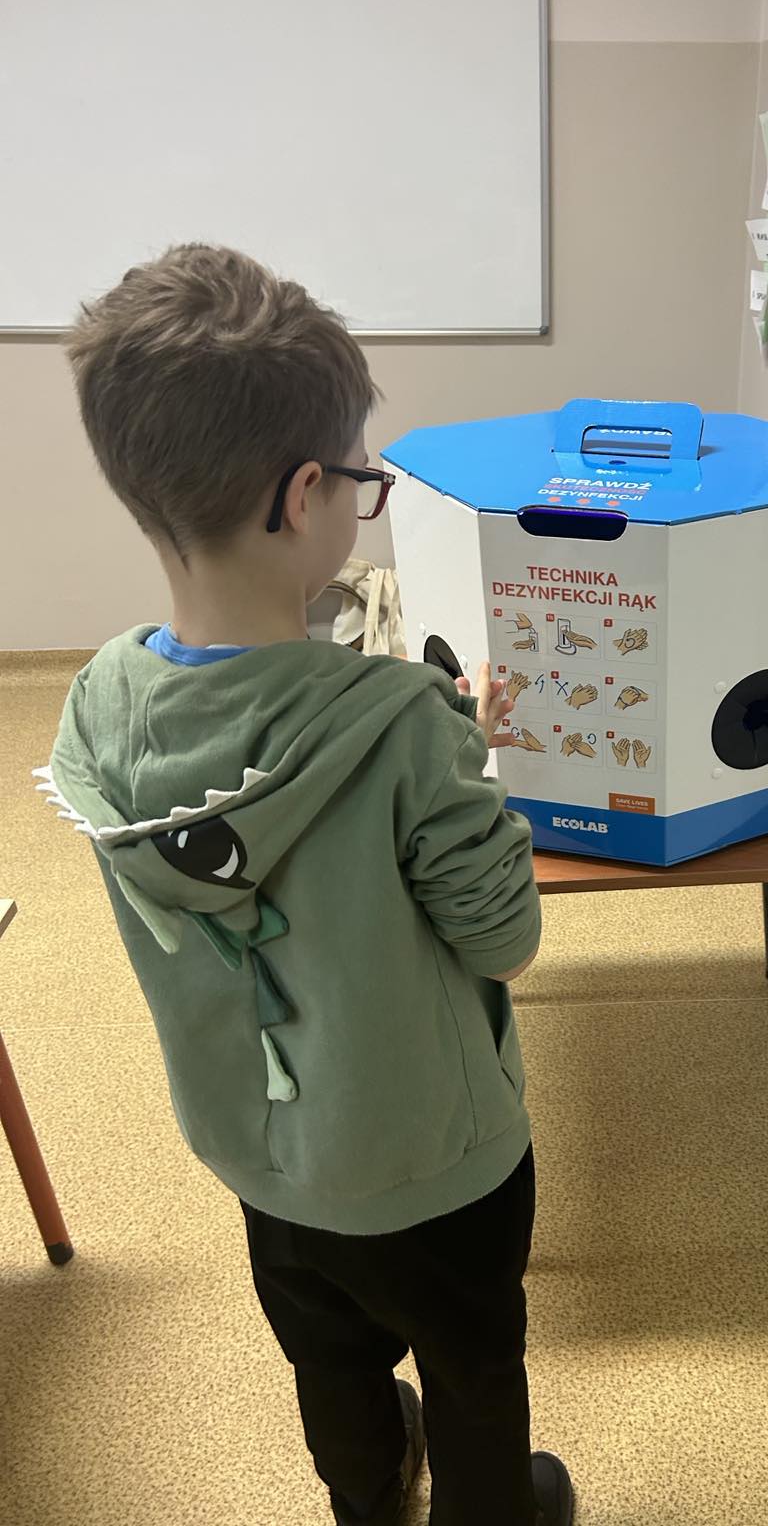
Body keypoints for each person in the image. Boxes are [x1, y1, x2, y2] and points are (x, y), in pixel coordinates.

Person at [40, 244, 574, 1526]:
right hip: (432, 1162)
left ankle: (367, 1497)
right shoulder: (404, 727)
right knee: (472, 1369)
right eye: (363, 482)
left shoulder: (98, 705)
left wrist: (431, 739)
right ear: (302, 496)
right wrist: (465, 762)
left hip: (263, 1152)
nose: (363, 503)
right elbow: (503, 939)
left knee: (328, 1354)